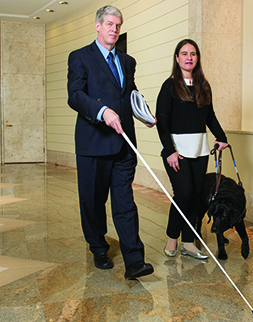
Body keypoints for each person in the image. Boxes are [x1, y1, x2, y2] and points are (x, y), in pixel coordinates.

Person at [67, 5, 155, 280]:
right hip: (93, 143)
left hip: (123, 144)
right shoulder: (80, 57)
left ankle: (134, 260)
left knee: (125, 201)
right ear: (97, 25)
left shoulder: (127, 62)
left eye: (118, 25)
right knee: (93, 201)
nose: (114, 29)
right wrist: (101, 111)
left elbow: (130, 94)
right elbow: (75, 95)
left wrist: (144, 114)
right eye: (109, 24)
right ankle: (98, 247)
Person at [156, 39, 228, 260]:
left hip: (200, 149)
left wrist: (222, 136)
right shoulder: (169, 86)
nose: (189, 57)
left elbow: (210, 116)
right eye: (184, 53)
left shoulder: (203, 86)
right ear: (177, 58)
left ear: (197, 58)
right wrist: (169, 151)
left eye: (193, 54)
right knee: (184, 193)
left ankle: (189, 242)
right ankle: (172, 237)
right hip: (176, 150)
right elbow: (162, 121)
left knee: (196, 196)